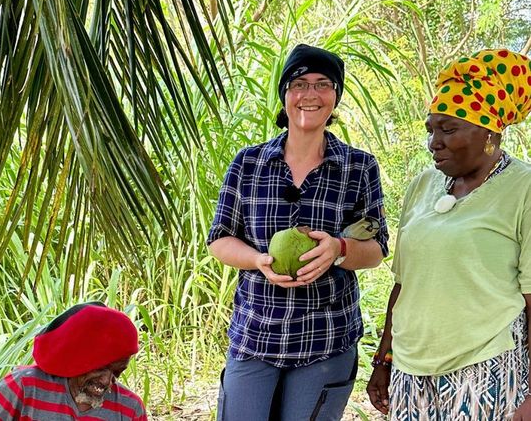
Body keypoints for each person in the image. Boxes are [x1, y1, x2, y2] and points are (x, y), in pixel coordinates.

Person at [207, 43, 390, 420]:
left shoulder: (358, 168)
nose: (310, 94)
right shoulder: (249, 163)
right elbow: (220, 239)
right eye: (299, 83)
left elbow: (376, 248)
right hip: (257, 332)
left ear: (335, 96)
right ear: (285, 95)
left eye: (323, 84)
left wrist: (338, 248)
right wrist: (258, 260)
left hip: (326, 336)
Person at [367, 49, 531, 420]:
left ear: (489, 131)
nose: (433, 143)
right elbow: (403, 285)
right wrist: (384, 358)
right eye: (431, 130)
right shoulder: (424, 184)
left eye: (448, 129)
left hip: (485, 367)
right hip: (411, 371)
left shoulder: (524, 188)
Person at [0, 302, 147, 420]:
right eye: (100, 368)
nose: (106, 381)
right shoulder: (25, 385)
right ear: (78, 359)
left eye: (117, 372)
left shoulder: (130, 409)